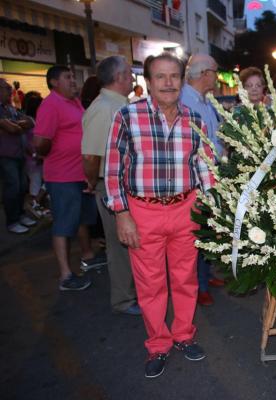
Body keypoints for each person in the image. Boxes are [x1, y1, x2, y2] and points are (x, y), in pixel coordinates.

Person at [105, 52, 215, 378]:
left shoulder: (196, 119)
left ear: (182, 80)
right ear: (149, 82)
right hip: (143, 212)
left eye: (174, 76)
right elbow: (113, 169)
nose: (168, 83)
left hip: (186, 208)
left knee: (185, 279)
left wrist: (212, 208)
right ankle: (158, 344)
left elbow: (204, 168)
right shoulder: (127, 116)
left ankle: (183, 335)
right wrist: (122, 213)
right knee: (150, 285)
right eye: (161, 77)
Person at [33, 65, 106, 291]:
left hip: (81, 173)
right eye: (68, 77)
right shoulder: (50, 105)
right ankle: (65, 276)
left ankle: (87, 256)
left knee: (82, 219)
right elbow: (40, 143)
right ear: (54, 82)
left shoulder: (73, 101)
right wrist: (59, 151)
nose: (73, 80)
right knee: (64, 224)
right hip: (62, 176)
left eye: (74, 76)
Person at [82, 56, 140, 315]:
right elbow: (90, 156)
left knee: (128, 242)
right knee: (118, 245)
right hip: (110, 186)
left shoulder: (117, 105)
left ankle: (133, 292)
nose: (132, 78)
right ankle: (124, 299)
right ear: (118, 77)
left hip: (122, 184)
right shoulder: (104, 107)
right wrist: (94, 183)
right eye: (129, 73)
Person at [180, 53, 226, 306]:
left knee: (208, 229)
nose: (218, 77)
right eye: (215, 72)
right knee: (196, 232)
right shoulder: (185, 100)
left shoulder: (205, 101)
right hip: (196, 174)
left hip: (212, 170)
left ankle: (206, 276)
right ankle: (198, 285)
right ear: (205, 74)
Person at [0, 78, 37, 234]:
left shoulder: (10, 108)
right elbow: (12, 128)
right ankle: (12, 221)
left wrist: (16, 124)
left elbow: (30, 122)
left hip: (19, 154)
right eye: (7, 88)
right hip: (6, 155)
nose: (10, 90)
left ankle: (20, 215)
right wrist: (15, 125)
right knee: (12, 187)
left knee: (22, 186)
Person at [22, 91, 49, 219]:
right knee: (36, 184)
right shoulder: (28, 122)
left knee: (43, 182)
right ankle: (33, 206)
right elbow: (24, 143)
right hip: (33, 160)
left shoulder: (35, 120)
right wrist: (34, 155)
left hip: (38, 159)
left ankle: (36, 205)